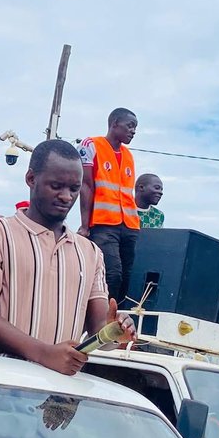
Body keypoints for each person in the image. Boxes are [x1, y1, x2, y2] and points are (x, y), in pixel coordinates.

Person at [0, 140, 134, 376]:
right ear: (31, 179)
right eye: (56, 186)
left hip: (53, 394)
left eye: (74, 188)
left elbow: (98, 330)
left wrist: (116, 332)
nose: (66, 197)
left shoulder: (91, 253)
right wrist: (43, 353)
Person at [79, 107, 140, 303]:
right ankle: (100, 319)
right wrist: (85, 225)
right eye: (130, 126)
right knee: (112, 274)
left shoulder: (128, 155)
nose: (133, 131)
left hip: (129, 225)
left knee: (126, 279)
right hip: (104, 224)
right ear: (115, 124)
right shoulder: (91, 145)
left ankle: (113, 317)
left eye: (135, 128)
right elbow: (86, 185)